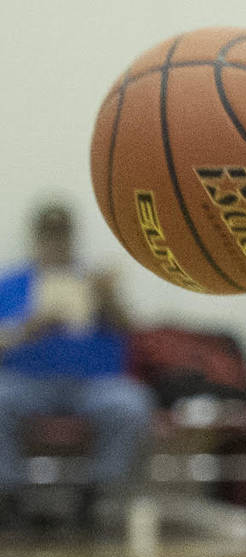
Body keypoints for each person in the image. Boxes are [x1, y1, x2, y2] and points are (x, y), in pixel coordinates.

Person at [0, 201, 153, 526]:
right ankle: (8, 496)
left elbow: (132, 331)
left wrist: (109, 300)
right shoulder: (11, 284)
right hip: (27, 383)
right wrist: (28, 328)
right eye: (49, 236)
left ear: (72, 238)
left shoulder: (94, 281)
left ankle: (99, 495)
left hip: (92, 385)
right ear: (37, 238)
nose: (56, 244)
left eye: (62, 236)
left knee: (130, 404)